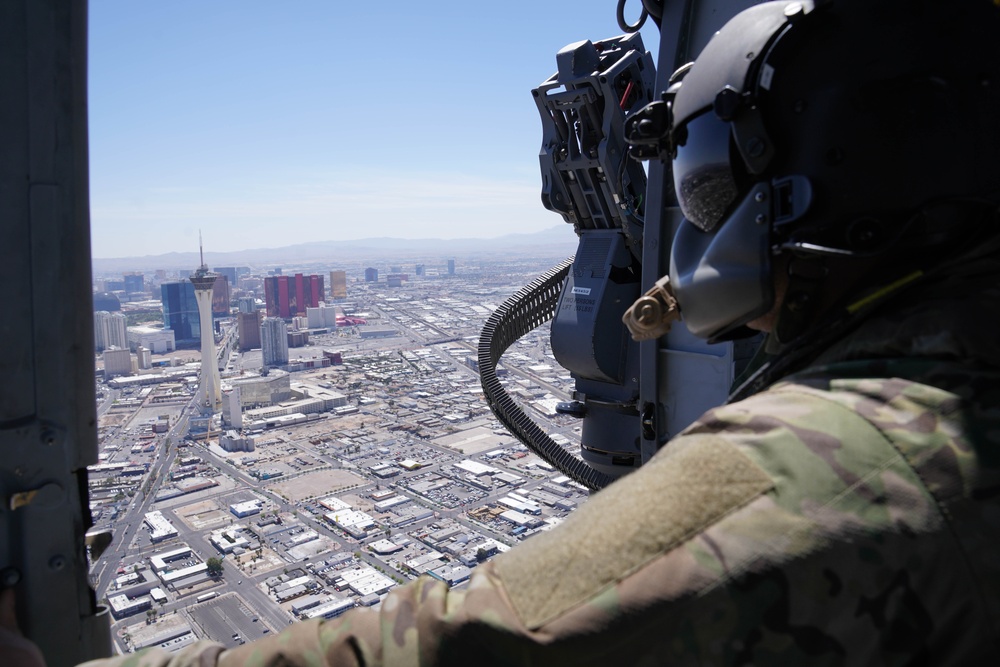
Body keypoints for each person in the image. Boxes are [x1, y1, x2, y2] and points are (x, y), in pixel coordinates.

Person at [8, 0, 1000, 664]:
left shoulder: (847, 454)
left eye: (704, 183)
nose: (698, 223)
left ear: (826, 175)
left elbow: (471, 641)